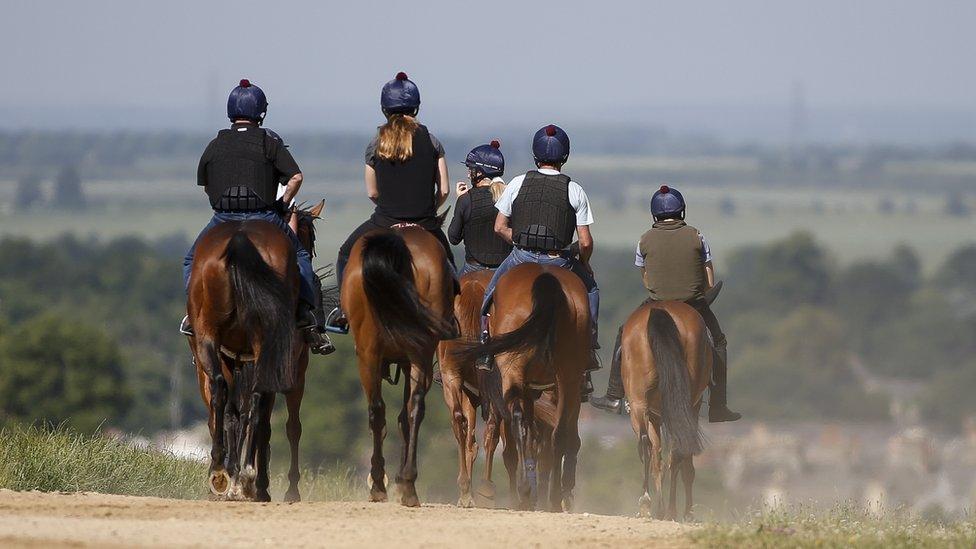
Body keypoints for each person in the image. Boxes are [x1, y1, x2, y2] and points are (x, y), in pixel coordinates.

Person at [180, 79, 334, 355]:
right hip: (263, 217)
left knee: (192, 260)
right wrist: (283, 203)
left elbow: (206, 185)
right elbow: (296, 177)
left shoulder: (215, 145)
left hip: (222, 219)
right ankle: (306, 316)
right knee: (300, 258)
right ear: (261, 113)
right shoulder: (268, 142)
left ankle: (195, 314)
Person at [590, 185, 741, 422]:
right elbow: (709, 281)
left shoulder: (644, 241)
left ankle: (613, 396)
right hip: (694, 303)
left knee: (624, 334)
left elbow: (647, 280)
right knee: (718, 341)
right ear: (682, 211)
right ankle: (718, 405)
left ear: (654, 215)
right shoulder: (697, 236)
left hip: (656, 302)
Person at [478, 124, 601, 399]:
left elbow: (499, 226)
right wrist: (584, 261)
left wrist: (520, 242)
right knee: (591, 291)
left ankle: (486, 348)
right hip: (560, 260)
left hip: (520, 255)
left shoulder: (519, 183)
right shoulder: (575, 189)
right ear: (564, 156)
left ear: (536, 155)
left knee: (489, 296)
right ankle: (589, 350)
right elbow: (586, 242)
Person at [326, 72, 454, 334]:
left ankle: (343, 310)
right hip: (425, 222)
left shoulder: (376, 142)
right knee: (450, 267)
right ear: (416, 107)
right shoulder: (432, 141)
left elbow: (372, 192)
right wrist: (429, 209)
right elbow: (444, 189)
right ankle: (452, 316)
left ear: (385, 108)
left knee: (343, 253)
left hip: (384, 221)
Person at [448, 140, 512, 276]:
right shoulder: (509, 196)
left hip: (473, 267)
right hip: (504, 268)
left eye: (471, 169)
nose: (468, 174)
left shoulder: (466, 199)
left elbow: (453, 238)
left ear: (480, 172)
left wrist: (460, 200)